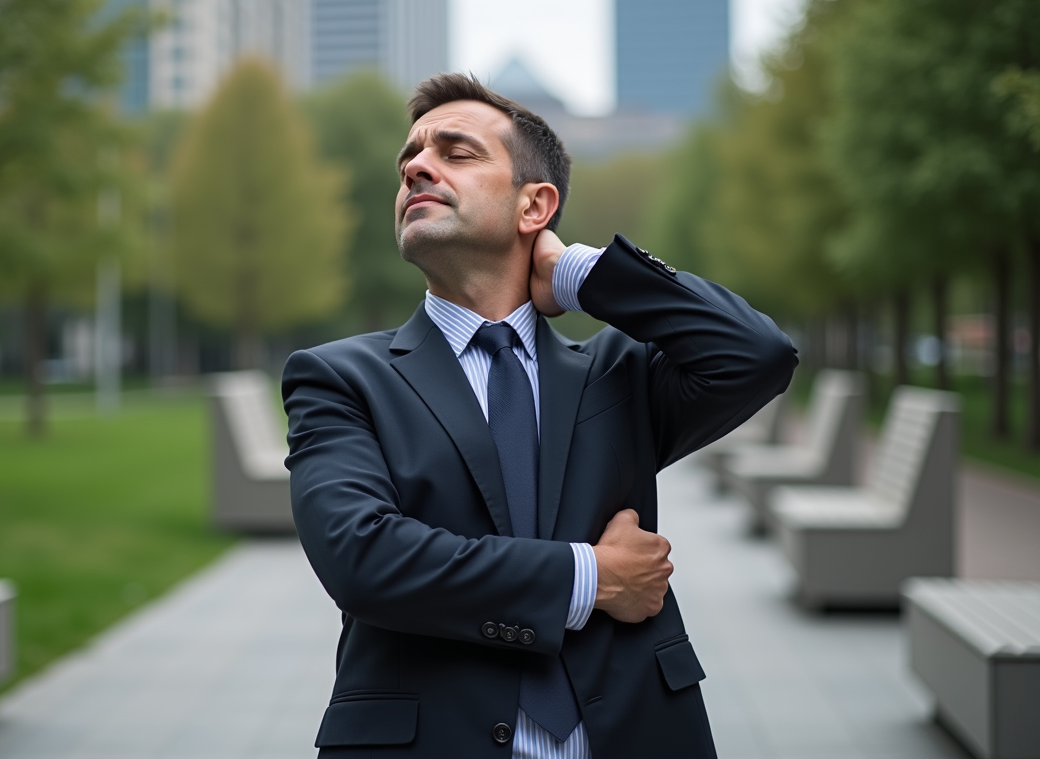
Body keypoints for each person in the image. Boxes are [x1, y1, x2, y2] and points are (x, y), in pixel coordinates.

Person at [282, 73, 797, 759]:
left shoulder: (620, 377)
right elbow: (364, 558)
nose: (415, 167)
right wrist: (592, 578)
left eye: (456, 152)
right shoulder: (341, 378)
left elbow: (757, 353)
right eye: (410, 157)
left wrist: (581, 273)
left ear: (536, 206)